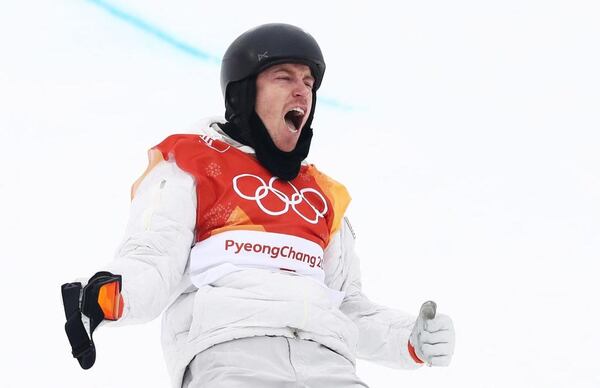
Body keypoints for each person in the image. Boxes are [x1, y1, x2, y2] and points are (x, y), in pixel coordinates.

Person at [61, 23, 455, 388]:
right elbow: (151, 256)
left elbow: (347, 304)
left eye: (308, 82)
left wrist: (408, 338)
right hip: (232, 352)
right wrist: (109, 292)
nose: (302, 91)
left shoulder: (320, 194)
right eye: (284, 78)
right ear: (243, 93)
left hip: (329, 363)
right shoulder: (195, 163)